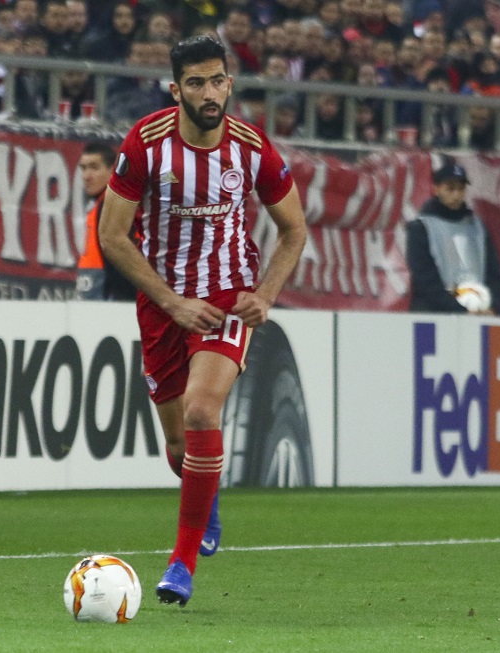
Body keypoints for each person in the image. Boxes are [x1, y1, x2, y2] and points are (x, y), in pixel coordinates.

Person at [98, 35, 307, 608]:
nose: (209, 93)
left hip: (226, 297)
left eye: (217, 81)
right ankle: (206, 498)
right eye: (196, 83)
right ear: (176, 90)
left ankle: (181, 563)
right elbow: (112, 236)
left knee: (200, 410)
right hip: (164, 302)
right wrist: (171, 303)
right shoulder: (145, 143)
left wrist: (265, 294)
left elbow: (294, 229)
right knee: (177, 444)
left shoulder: (251, 147)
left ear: (230, 83)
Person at [405, 157, 500, 315]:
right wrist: (460, 310)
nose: (457, 194)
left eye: (461, 189)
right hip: (434, 315)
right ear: (436, 189)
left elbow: (494, 273)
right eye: (450, 189)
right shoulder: (421, 227)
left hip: (478, 313)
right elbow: (425, 279)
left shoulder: (477, 227)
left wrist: (493, 306)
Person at [75, 142, 137, 301]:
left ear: (112, 171)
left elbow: (124, 257)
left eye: (94, 168)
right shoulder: (100, 205)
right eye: (83, 168)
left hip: (110, 301)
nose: (86, 176)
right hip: (97, 296)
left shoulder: (115, 206)